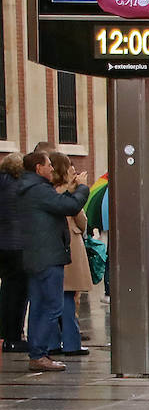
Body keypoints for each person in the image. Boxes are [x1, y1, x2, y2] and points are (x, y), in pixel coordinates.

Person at [16, 150, 89, 373]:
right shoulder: (37, 189)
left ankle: (39, 352)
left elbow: (56, 204)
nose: (51, 169)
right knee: (51, 305)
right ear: (38, 168)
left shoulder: (30, 188)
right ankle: (39, 354)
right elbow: (67, 207)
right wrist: (83, 188)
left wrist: (70, 191)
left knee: (39, 305)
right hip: (47, 256)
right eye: (48, 165)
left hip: (36, 256)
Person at [48, 153, 94, 356]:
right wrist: (81, 190)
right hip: (70, 247)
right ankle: (71, 342)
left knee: (53, 297)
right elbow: (82, 221)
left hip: (54, 249)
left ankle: (51, 342)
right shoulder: (66, 193)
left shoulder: (47, 191)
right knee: (68, 296)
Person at [0, 153, 27, 353]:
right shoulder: (19, 187)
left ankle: (4, 335)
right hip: (18, 246)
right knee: (18, 295)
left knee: (6, 291)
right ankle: (14, 337)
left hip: (3, 246)